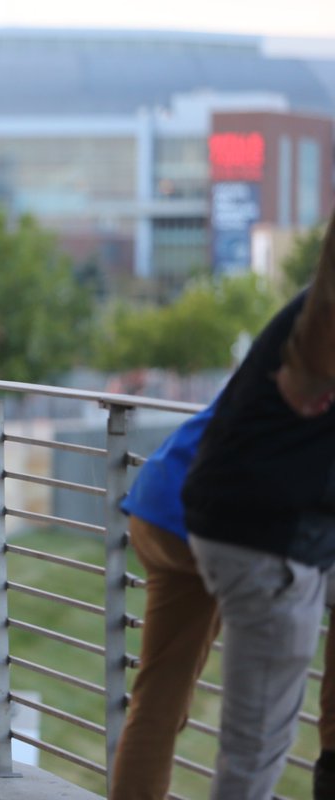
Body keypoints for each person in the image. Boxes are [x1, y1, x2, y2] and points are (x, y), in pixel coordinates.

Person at [181, 208, 335, 798]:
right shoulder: (321, 332)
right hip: (266, 540)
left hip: (251, 524)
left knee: (256, 747)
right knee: (254, 755)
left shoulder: (314, 308)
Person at [111, 398, 335, 799]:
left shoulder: (281, 358)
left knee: (158, 702)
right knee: (257, 730)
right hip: (225, 523)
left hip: (161, 502)